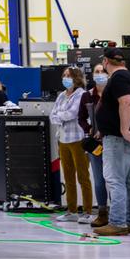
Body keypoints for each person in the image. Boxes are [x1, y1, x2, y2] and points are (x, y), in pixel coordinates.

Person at [94, 48, 130, 236]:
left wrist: (123, 129)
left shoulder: (119, 78)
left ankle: (118, 223)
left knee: (115, 180)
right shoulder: (126, 76)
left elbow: (126, 103)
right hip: (119, 136)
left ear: (106, 61)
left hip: (118, 139)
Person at [51, 67, 93, 223]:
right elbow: (52, 115)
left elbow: (72, 113)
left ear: (76, 78)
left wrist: (60, 116)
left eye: (69, 76)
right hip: (63, 139)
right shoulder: (61, 95)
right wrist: (61, 116)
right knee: (68, 177)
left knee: (83, 176)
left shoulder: (81, 94)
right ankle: (72, 210)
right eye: (64, 76)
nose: (65, 78)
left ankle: (88, 211)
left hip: (78, 139)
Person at [79, 68, 110, 228]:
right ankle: (102, 212)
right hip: (94, 143)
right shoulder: (87, 95)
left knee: (115, 180)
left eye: (102, 71)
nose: (99, 74)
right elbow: (81, 117)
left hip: (112, 141)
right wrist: (88, 129)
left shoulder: (113, 93)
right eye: (96, 71)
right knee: (99, 180)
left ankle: (119, 213)